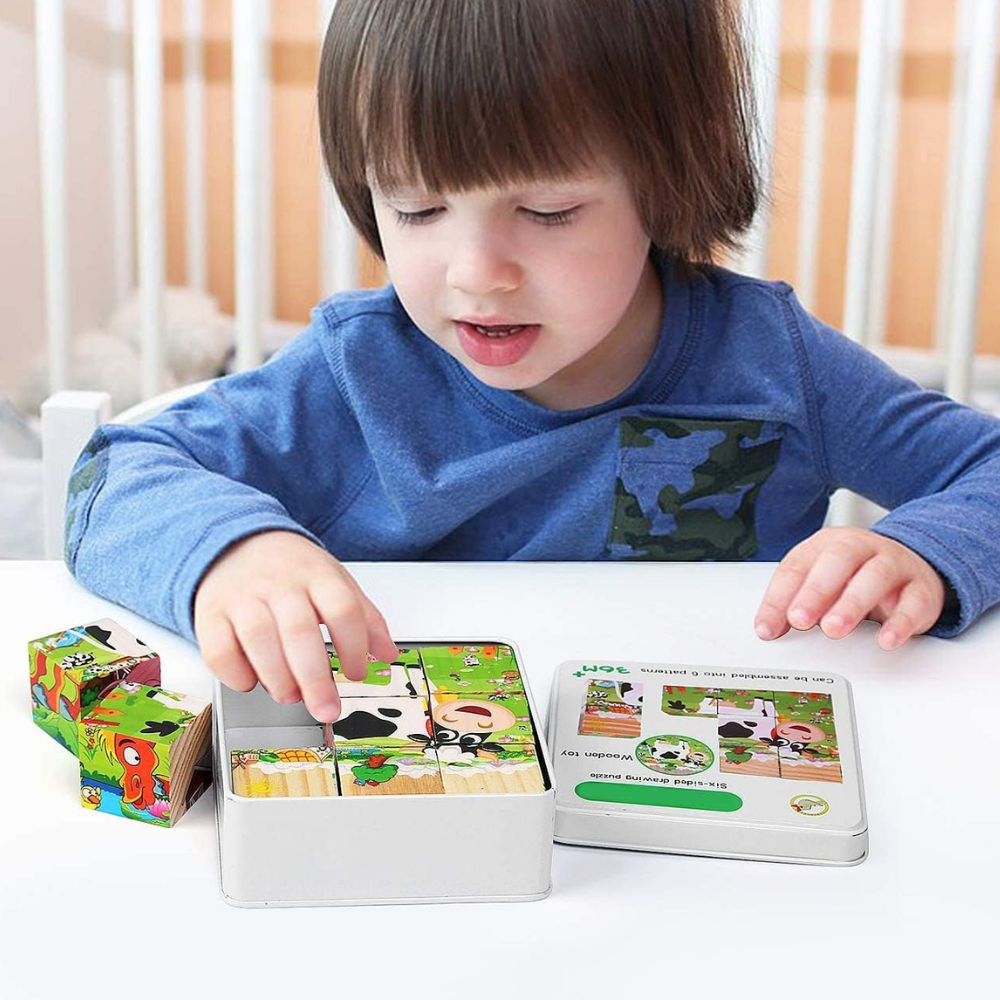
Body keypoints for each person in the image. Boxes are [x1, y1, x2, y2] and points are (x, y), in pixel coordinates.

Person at [66, 0, 1000, 724]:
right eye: (417, 210)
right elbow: (115, 473)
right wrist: (234, 551)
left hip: (695, 776)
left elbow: (985, 467)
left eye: (548, 212)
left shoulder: (772, 360)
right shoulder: (355, 372)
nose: (477, 275)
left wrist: (920, 550)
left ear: (668, 184)